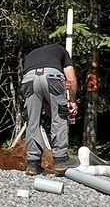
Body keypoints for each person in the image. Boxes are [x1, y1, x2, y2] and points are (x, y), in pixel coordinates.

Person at [20, 40, 79, 175]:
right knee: (60, 116)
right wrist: (72, 101)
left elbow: (38, 83)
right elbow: (71, 80)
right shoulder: (61, 51)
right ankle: (60, 160)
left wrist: (45, 104)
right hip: (53, 78)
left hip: (28, 80)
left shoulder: (31, 55)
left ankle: (33, 164)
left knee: (32, 122)